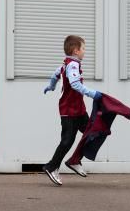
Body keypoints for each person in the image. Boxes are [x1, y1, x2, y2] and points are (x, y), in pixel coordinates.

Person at [42, 35, 102, 186]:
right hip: (69, 111)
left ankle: (75, 161)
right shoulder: (73, 65)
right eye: (83, 49)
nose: (84, 52)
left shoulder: (67, 63)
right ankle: (51, 166)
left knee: (91, 133)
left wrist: (51, 86)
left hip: (79, 110)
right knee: (67, 141)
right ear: (76, 51)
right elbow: (75, 84)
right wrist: (93, 94)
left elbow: (55, 74)